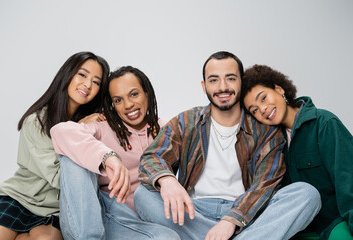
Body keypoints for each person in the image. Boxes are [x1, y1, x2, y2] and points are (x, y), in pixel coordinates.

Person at [134, 51, 321, 240]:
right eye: (214, 80)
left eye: (230, 78)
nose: (223, 87)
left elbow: (266, 183)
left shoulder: (265, 129)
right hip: (193, 213)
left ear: (241, 81)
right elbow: (152, 157)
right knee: (143, 194)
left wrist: (231, 221)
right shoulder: (186, 121)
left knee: (307, 194)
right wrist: (168, 181)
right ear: (204, 85)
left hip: (248, 216)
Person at [50, 66, 180, 240]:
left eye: (134, 94)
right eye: (118, 100)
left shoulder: (165, 130)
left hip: (137, 223)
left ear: (147, 93)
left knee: (168, 238)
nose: (128, 105)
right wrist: (109, 157)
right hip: (97, 215)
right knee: (73, 154)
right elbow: (61, 131)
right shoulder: (104, 128)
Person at [0, 51, 110, 240]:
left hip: (54, 209)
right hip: (19, 198)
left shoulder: (93, 125)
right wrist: (77, 129)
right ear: (67, 74)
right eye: (82, 74)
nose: (88, 85)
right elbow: (59, 177)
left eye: (96, 82)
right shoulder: (36, 122)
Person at [241, 64, 353, 240]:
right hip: (297, 230)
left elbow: (348, 184)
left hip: (334, 224)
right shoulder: (271, 145)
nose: (262, 109)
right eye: (254, 110)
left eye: (263, 98)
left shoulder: (323, 123)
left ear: (279, 89)